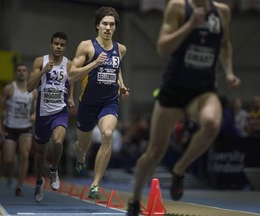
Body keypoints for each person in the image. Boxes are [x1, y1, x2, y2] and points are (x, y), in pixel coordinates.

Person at [127, 0, 241, 215]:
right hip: (174, 89)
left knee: (212, 123)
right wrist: (190, 25)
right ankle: (134, 200)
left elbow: (225, 45)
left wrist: (229, 73)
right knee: (154, 152)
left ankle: (179, 170)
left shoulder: (222, 11)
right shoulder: (178, 7)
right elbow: (162, 47)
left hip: (203, 89)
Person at [69, 6, 129, 200]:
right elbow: (71, 76)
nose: (108, 28)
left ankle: (94, 185)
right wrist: (95, 63)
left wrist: (121, 84)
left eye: (112, 24)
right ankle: (80, 158)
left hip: (109, 102)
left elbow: (116, 68)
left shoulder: (120, 49)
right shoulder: (86, 46)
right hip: (87, 104)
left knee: (108, 134)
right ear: (97, 25)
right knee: (83, 147)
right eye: (105, 24)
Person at [27, 32, 75, 202]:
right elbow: (29, 87)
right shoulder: (40, 62)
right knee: (40, 152)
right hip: (42, 113)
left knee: (57, 142)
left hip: (60, 111)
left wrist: (70, 97)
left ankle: (54, 169)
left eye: (62, 44)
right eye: (56, 43)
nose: (58, 47)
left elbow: (72, 81)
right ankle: (39, 181)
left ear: (65, 46)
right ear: (51, 44)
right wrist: (42, 72)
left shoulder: (68, 64)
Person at [0, 63, 37, 196]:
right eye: (19, 70)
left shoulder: (33, 90)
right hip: (10, 127)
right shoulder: (9, 88)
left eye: (24, 70)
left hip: (25, 127)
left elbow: (36, 109)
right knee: (8, 159)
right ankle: (10, 174)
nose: (21, 73)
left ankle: (19, 186)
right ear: (15, 73)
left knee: (25, 156)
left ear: (27, 73)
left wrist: (34, 115)